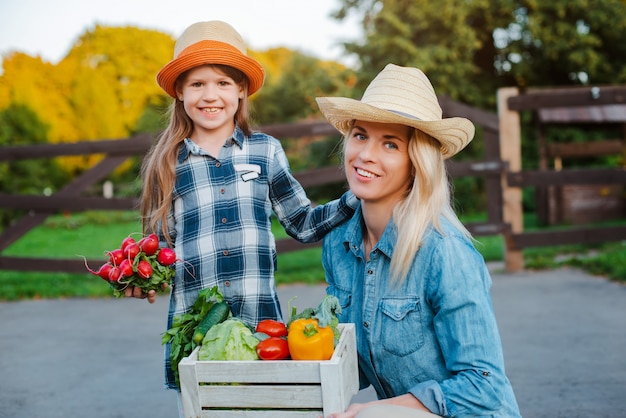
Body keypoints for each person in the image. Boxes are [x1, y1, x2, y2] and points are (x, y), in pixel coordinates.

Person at [134, 20, 358, 405]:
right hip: (196, 333)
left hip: (260, 328)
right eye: (197, 84)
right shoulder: (168, 163)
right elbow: (163, 250)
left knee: (263, 410)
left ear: (240, 90)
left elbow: (301, 223)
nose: (210, 95)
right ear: (181, 93)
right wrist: (143, 278)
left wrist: (355, 198)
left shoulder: (265, 150)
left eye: (222, 83)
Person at [317, 64, 522, 418]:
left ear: (417, 162)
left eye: (391, 144)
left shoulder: (445, 252)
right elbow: (352, 361)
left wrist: (376, 412)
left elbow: (484, 385)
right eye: (361, 135)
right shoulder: (338, 244)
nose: (366, 155)